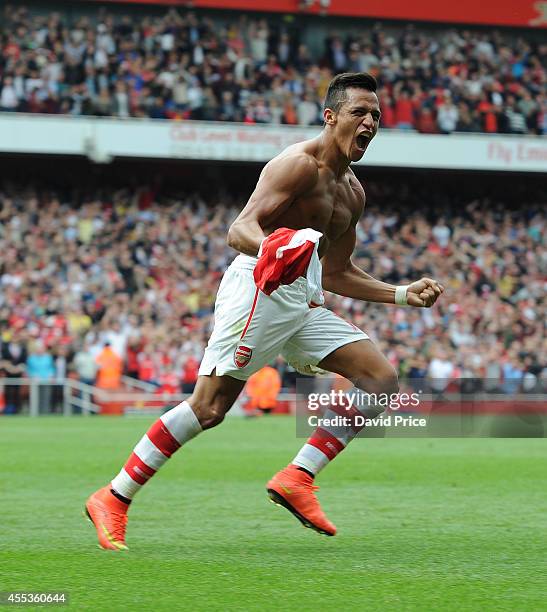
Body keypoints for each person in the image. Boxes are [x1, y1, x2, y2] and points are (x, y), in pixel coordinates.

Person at [85, 72, 444, 550]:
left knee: (380, 380)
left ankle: (298, 477)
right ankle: (114, 496)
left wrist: (401, 294)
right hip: (259, 288)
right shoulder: (297, 166)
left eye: (376, 115)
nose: (370, 122)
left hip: (303, 297)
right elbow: (240, 229)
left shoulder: (353, 192)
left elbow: (335, 272)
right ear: (331, 117)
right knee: (210, 408)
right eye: (360, 112)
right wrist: (274, 248)